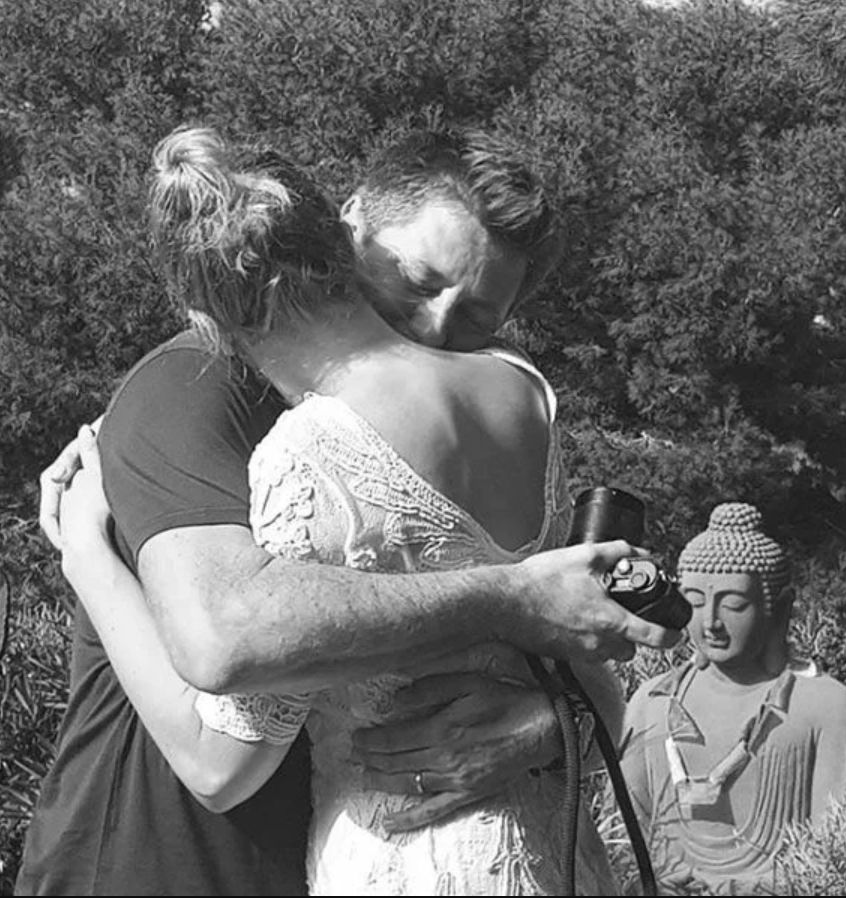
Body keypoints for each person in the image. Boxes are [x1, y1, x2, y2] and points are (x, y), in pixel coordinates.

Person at [20, 126, 677, 897]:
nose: (435, 327)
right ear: (349, 221)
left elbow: (576, 633)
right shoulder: (196, 390)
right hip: (165, 862)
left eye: (475, 315)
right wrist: (83, 554)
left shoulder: (480, 402)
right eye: (418, 278)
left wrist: (542, 722)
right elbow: (228, 644)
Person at [619, 502, 846, 896]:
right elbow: (621, 832)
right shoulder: (651, 701)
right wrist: (650, 876)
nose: (711, 622)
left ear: (779, 610)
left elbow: (834, 855)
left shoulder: (827, 709)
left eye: (733, 604)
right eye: (694, 601)